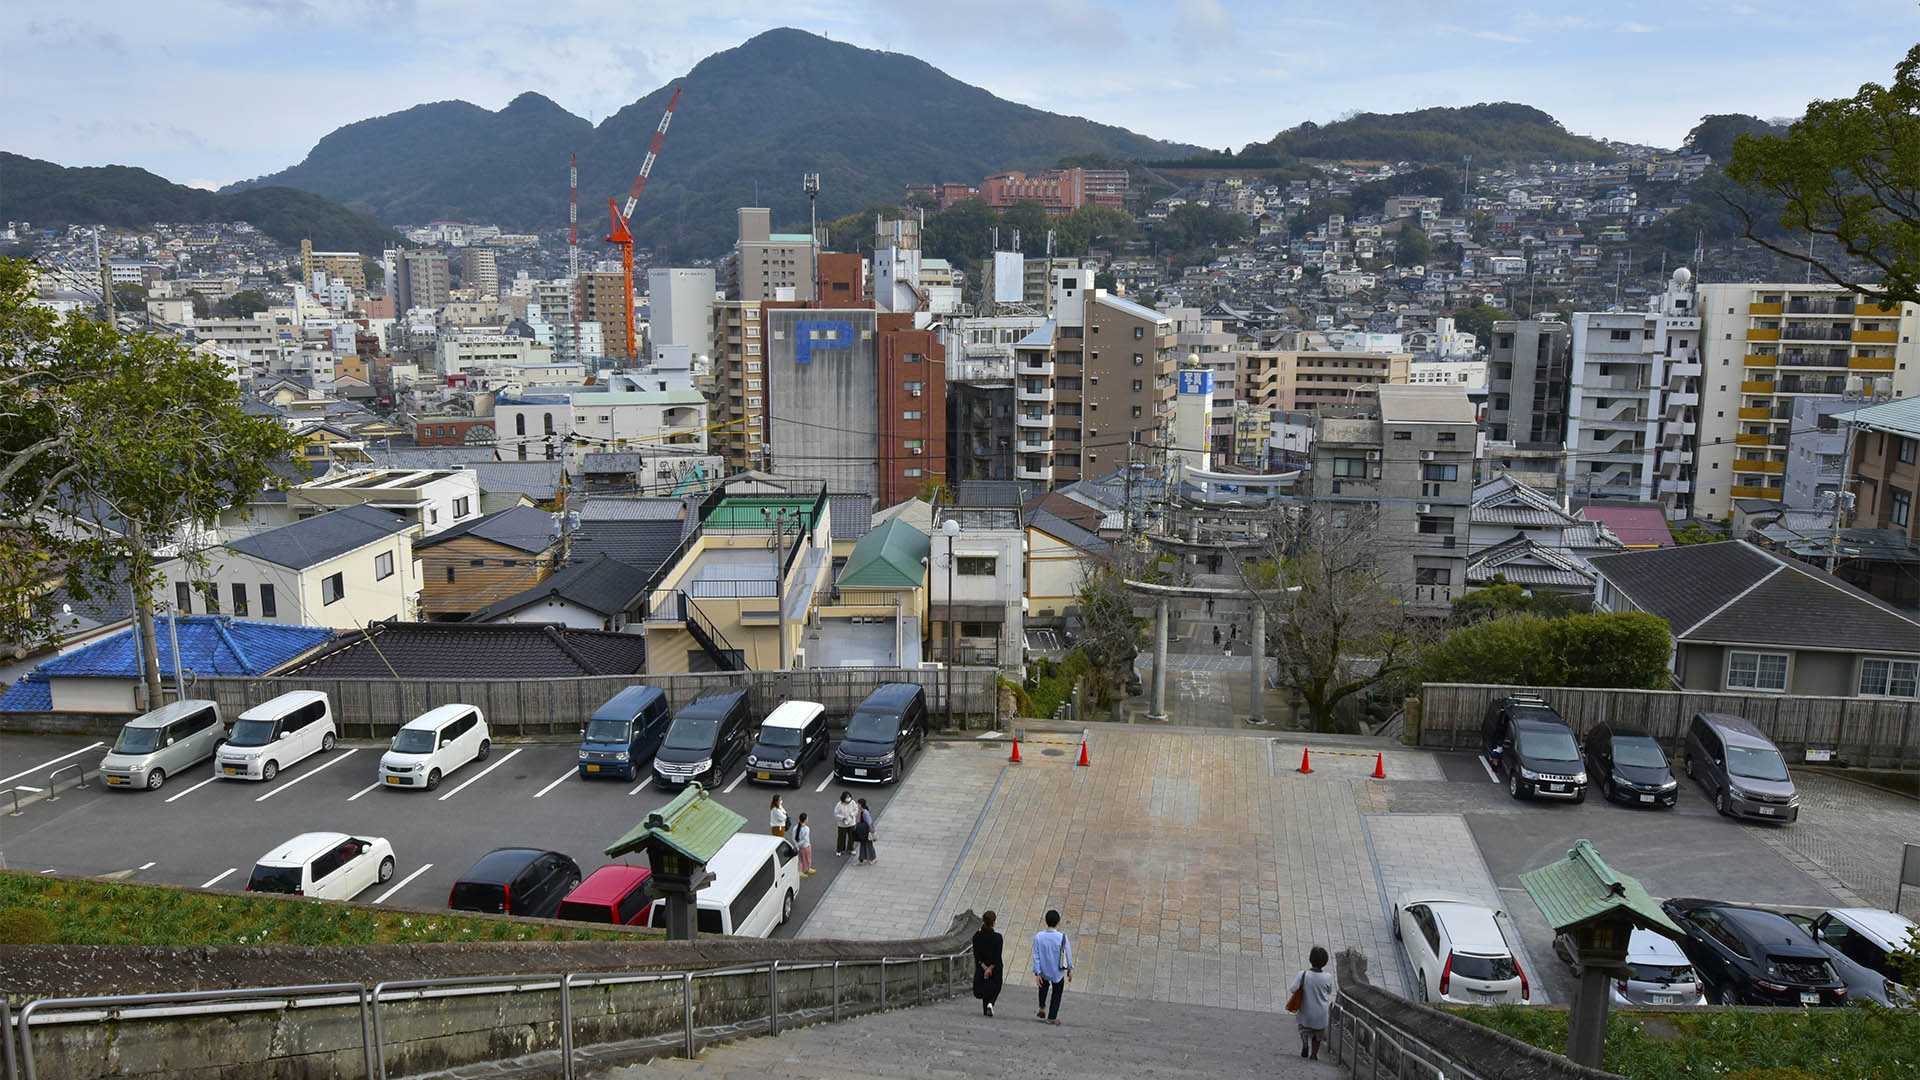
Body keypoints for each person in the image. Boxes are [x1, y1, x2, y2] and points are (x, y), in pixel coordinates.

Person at [1289, 946, 1335, 1060]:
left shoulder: (1303, 975)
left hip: (1306, 1012)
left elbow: (1293, 989)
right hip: (1321, 1013)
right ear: (1325, 962)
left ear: (1310, 959)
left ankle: (1305, 1041)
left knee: (1303, 1028)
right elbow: (1329, 991)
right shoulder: (1327, 977)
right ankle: (1314, 1054)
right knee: (1318, 1035)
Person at [1031, 909, 1073, 1025]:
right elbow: (1068, 954)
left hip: (1043, 971)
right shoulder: (1062, 937)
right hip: (1057, 972)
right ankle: (1052, 1017)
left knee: (1043, 988)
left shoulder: (1039, 937)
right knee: (1057, 993)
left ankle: (1042, 1007)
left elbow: (1036, 955)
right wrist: (1070, 970)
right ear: (1058, 922)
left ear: (1046, 921)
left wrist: (1037, 972)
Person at [972, 910, 1004, 1017]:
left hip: (982, 966)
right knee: (997, 985)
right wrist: (990, 968)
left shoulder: (977, 936)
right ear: (994, 922)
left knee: (986, 986)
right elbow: (997, 956)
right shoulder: (998, 938)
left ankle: (986, 1008)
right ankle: (991, 1004)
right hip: (995, 968)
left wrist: (984, 967)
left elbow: (976, 955)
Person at [833, 791, 858, 857]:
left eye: (849, 797)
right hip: (842, 824)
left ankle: (850, 848)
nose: (848, 798)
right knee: (841, 837)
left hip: (851, 823)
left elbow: (856, 809)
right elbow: (836, 814)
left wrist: (852, 815)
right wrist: (842, 818)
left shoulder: (852, 803)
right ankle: (839, 850)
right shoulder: (839, 805)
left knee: (852, 837)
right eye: (847, 797)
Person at [853, 797, 876, 865]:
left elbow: (869, 823)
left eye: (858, 803)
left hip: (866, 832)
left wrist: (871, 832)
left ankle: (872, 858)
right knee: (863, 845)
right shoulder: (863, 812)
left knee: (868, 845)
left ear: (860, 804)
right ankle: (861, 860)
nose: (857, 805)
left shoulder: (865, 813)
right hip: (864, 832)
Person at [793, 812, 814, 877]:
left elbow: (793, 838)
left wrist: (797, 845)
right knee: (808, 858)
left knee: (800, 860)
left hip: (799, 847)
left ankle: (800, 871)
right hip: (805, 846)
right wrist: (800, 844)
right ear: (805, 820)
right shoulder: (806, 829)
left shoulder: (795, 827)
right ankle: (807, 869)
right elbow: (805, 839)